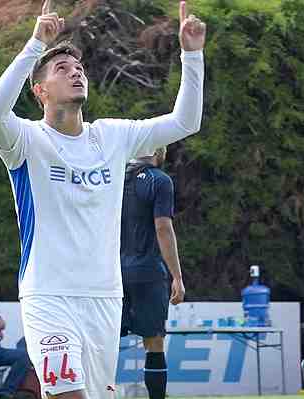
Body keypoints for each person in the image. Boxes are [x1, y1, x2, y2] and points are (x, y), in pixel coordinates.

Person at [0, 0, 205, 396]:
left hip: (104, 295)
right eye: (62, 69)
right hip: (47, 294)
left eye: (79, 68)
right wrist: (36, 44)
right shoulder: (26, 140)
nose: (76, 73)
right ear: (40, 90)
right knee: (68, 394)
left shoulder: (112, 136)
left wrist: (192, 55)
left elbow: (185, 122)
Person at [119, 147, 185, 399]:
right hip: (147, 272)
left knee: (103, 342)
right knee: (154, 343)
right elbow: (163, 227)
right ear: (159, 151)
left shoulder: (113, 178)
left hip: (112, 275)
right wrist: (177, 277)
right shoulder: (160, 180)